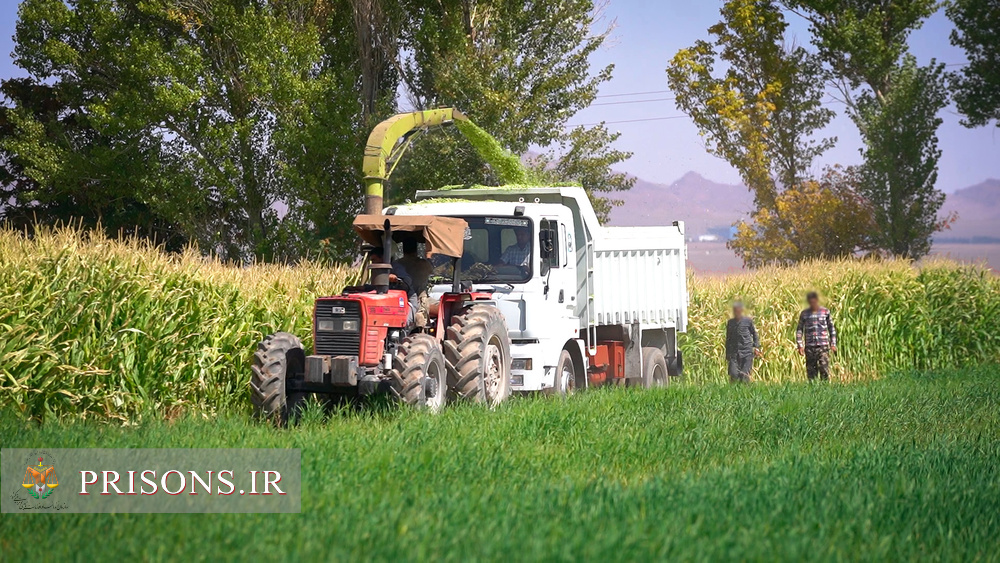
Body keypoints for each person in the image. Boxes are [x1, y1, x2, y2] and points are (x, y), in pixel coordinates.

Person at [370, 247, 418, 326]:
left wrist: (395, 278)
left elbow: (407, 282)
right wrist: (363, 288)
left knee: (404, 323)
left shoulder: (395, 267)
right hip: (387, 303)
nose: (373, 263)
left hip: (405, 300)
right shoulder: (377, 270)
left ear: (382, 257)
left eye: (374, 260)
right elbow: (376, 288)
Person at [795, 291, 837, 381]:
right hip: (810, 346)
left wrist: (833, 343)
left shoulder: (825, 312)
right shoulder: (804, 314)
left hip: (823, 345)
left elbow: (831, 328)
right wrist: (800, 345)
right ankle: (813, 391)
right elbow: (799, 330)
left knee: (824, 368)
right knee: (811, 372)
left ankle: (824, 389)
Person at [396, 239, 434, 327]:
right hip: (420, 297)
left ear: (403, 250)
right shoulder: (424, 264)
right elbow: (431, 270)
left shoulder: (396, 264)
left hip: (401, 297)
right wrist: (428, 256)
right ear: (416, 250)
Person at [725, 302, 762, 383]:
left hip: (746, 352)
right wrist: (727, 354)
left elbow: (754, 334)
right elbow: (728, 338)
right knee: (733, 374)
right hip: (734, 353)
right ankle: (732, 393)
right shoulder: (731, 323)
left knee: (744, 376)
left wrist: (757, 347)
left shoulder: (748, 321)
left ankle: (746, 393)